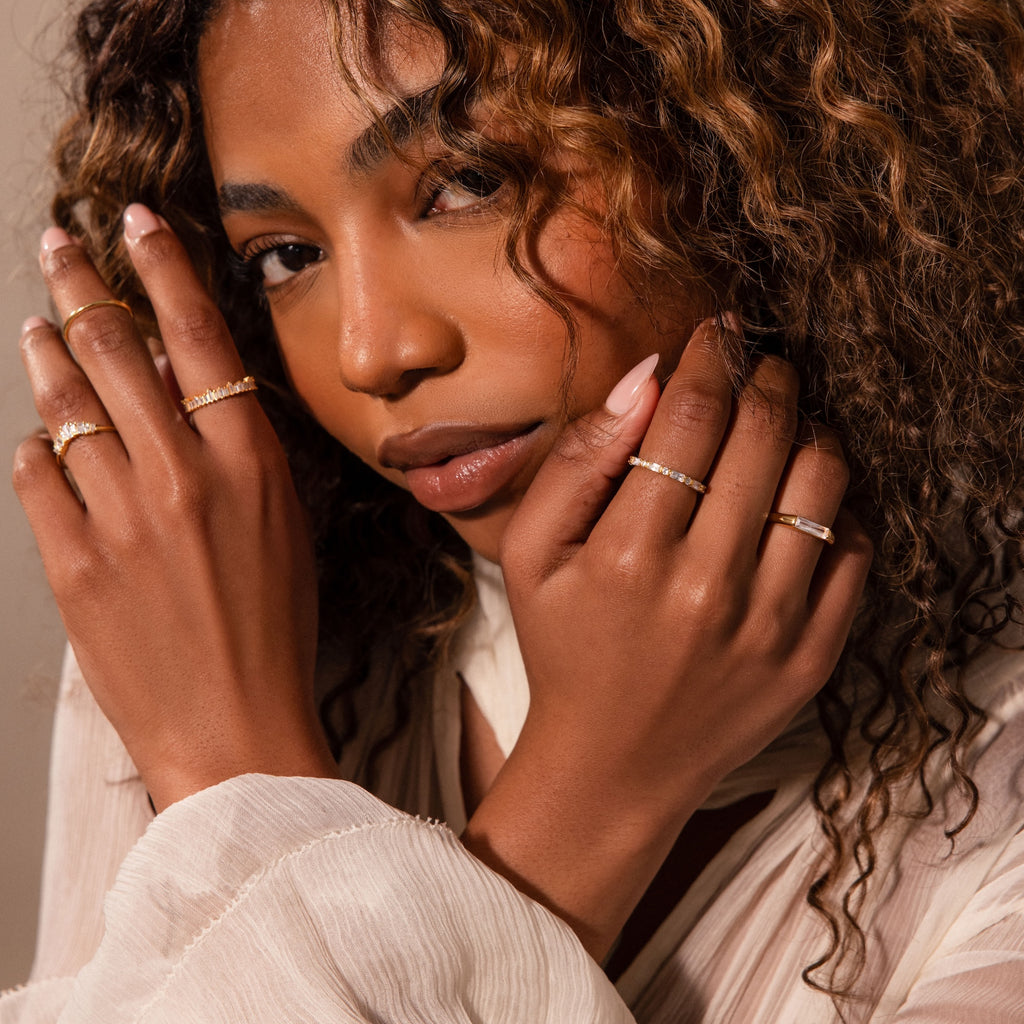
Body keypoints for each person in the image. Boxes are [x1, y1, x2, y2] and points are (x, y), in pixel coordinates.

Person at [3, 0, 1024, 1020]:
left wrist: (231, 795)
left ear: (749, 152)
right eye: (285, 256)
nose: (370, 350)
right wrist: (583, 803)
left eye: (465, 182)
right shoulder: (210, 640)